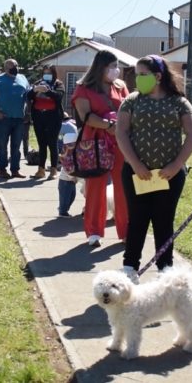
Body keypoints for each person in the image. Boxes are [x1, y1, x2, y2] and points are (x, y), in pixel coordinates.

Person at [115, 55, 192, 282]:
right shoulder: (131, 101)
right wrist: (136, 164)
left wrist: (176, 165)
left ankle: (165, 273)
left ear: (158, 76)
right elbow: (121, 132)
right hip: (136, 174)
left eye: (143, 75)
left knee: (164, 222)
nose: (137, 79)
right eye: (136, 74)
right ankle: (130, 269)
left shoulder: (179, 103)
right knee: (137, 220)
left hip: (169, 176)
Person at [72, 50, 129, 247]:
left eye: (116, 66)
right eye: (112, 66)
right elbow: (85, 115)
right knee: (95, 187)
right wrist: (109, 126)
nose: (116, 70)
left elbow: (128, 109)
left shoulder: (120, 86)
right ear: (101, 67)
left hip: (121, 142)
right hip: (95, 143)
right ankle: (94, 232)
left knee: (124, 187)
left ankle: (126, 231)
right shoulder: (83, 88)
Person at [0, 59, 29, 179]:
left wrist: (28, 112)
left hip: (19, 119)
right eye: (12, 67)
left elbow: (28, 96)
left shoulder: (23, 78)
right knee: (2, 146)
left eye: (16, 65)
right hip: (3, 119)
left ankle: (15, 170)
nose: (15, 68)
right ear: (6, 68)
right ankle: (2, 169)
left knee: (16, 146)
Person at [28, 65, 64, 180]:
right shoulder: (38, 83)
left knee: (52, 144)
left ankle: (53, 170)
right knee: (41, 144)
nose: (46, 74)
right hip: (39, 117)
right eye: (45, 72)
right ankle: (41, 170)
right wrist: (34, 90)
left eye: (49, 72)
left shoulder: (58, 84)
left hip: (53, 118)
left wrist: (47, 91)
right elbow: (28, 96)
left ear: (53, 73)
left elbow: (59, 96)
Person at [58, 132, 79, 218]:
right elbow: (67, 169)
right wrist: (73, 177)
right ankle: (62, 211)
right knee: (65, 197)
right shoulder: (66, 156)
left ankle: (63, 208)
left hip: (71, 181)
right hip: (65, 181)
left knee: (72, 197)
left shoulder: (74, 154)